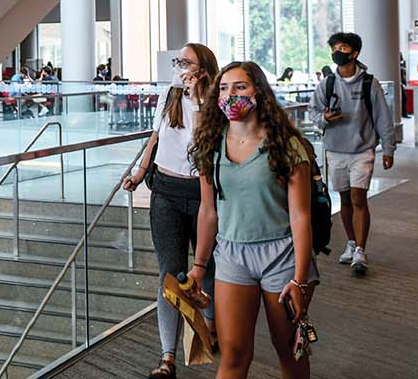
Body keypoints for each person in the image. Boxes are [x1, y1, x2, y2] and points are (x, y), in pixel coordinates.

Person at [188, 61, 318, 379]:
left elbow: (301, 217)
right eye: (223, 88)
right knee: (233, 354)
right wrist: (199, 266)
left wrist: (300, 280)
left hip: (282, 256)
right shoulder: (210, 146)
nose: (230, 95)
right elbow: (208, 210)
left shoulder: (286, 145)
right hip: (232, 255)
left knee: (288, 348)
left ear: (258, 92)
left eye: (240, 87)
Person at [122, 43, 220, 379]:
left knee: (205, 266)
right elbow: (156, 137)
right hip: (166, 191)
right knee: (171, 272)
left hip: (204, 194)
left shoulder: (213, 103)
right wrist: (139, 172)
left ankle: (210, 325)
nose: (179, 67)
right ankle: (167, 358)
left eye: (186, 62)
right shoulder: (170, 96)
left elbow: (204, 142)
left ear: (204, 69)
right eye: (178, 61)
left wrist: (197, 99)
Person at [307, 32, 395, 276]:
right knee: (344, 199)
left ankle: (361, 250)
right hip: (335, 150)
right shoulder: (328, 84)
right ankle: (351, 242)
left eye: (343, 47)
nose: (338, 51)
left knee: (358, 197)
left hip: (362, 150)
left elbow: (383, 118)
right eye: (335, 47)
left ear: (354, 53)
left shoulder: (369, 83)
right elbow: (312, 113)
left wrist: (388, 149)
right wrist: (324, 118)